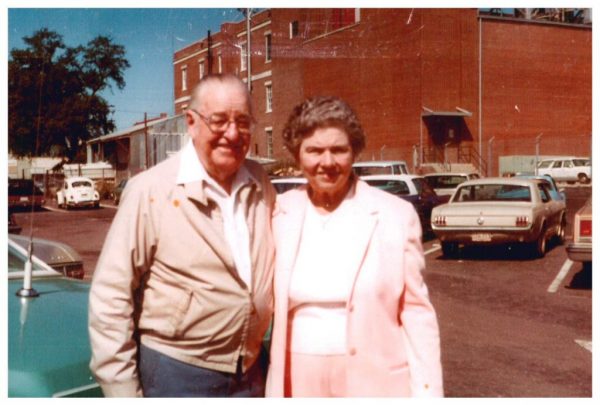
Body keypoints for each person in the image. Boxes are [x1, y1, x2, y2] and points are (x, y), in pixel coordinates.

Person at [88, 74, 276, 397]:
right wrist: (121, 390)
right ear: (191, 122)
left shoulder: (259, 183)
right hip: (177, 374)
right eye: (218, 121)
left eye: (243, 122)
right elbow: (110, 295)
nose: (232, 134)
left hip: (251, 371)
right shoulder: (152, 188)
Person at [265, 96, 443, 397]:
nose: (327, 162)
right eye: (314, 150)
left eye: (339, 150)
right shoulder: (279, 212)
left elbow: (416, 313)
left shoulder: (394, 215)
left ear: (355, 151)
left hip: (375, 381)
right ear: (298, 155)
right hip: (296, 378)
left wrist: (427, 394)